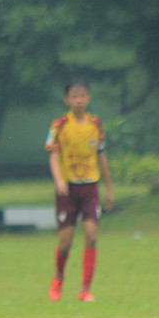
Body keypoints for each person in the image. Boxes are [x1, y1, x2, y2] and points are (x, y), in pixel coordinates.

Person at [45, 77, 114, 302]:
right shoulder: (59, 126)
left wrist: (109, 188)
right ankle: (59, 278)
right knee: (65, 241)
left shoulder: (96, 125)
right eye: (74, 96)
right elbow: (54, 155)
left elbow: (101, 156)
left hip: (90, 188)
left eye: (82, 95)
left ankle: (85, 289)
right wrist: (59, 180)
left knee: (91, 236)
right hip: (68, 191)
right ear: (67, 100)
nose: (78, 100)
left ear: (89, 98)